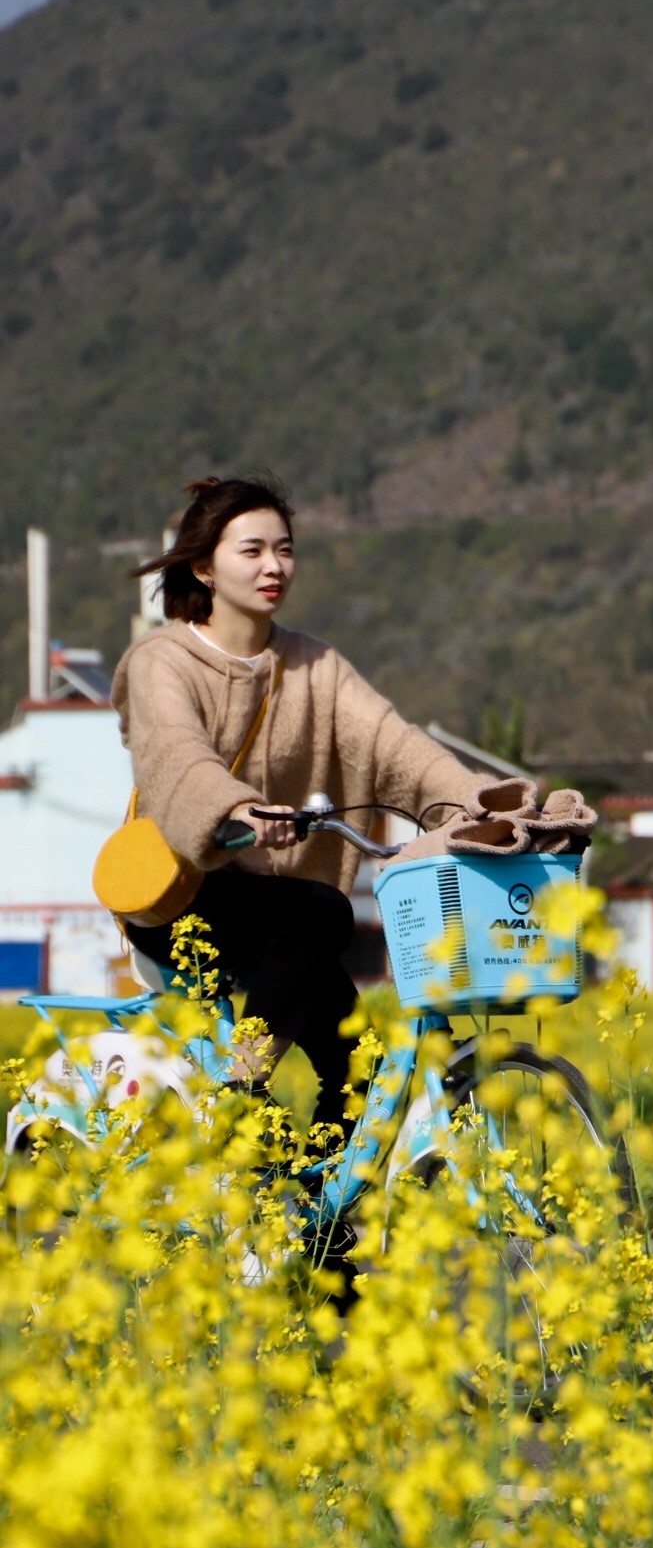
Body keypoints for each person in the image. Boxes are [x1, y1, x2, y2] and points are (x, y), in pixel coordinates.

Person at [113, 475, 489, 1140]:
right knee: (322, 909)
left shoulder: (315, 665)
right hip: (178, 899)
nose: (273, 566)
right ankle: (243, 1084)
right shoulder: (160, 661)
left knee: (358, 1064)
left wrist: (486, 804)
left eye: (284, 550)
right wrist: (237, 810)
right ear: (204, 566)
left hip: (275, 913)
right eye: (252, 550)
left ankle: (325, 1230)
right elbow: (175, 752)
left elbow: (393, 744)